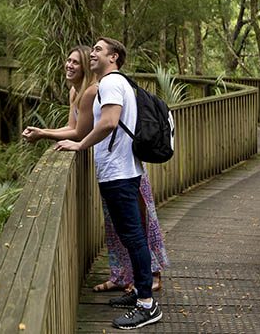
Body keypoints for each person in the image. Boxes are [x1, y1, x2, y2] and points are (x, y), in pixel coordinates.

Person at [22, 47, 168, 296]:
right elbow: (73, 126)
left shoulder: (96, 90)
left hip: (123, 167)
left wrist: (46, 134)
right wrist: (47, 133)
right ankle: (123, 276)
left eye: (75, 62)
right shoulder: (75, 92)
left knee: (139, 225)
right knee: (118, 226)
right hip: (112, 168)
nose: (70, 65)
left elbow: (84, 131)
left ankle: (147, 286)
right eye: (68, 60)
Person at [56, 37, 163, 330]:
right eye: (92, 50)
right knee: (131, 236)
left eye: (99, 50)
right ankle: (139, 293)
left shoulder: (111, 83)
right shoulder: (115, 82)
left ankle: (146, 305)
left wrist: (80, 146)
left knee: (134, 237)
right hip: (119, 171)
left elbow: (109, 122)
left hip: (120, 173)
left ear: (113, 57)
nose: (93, 53)